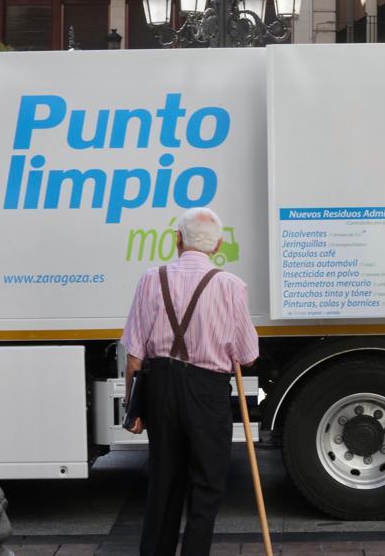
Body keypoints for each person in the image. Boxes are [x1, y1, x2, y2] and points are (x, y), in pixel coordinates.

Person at [121, 207, 260, 555]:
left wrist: (132, 406)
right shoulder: (231, 286)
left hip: (160, 385)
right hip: (208, 390)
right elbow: (248, 355)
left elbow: (134, 357)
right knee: (207, 484)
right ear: (218, 245)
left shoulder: (151, 279)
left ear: (177, 239)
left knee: (163, 483)